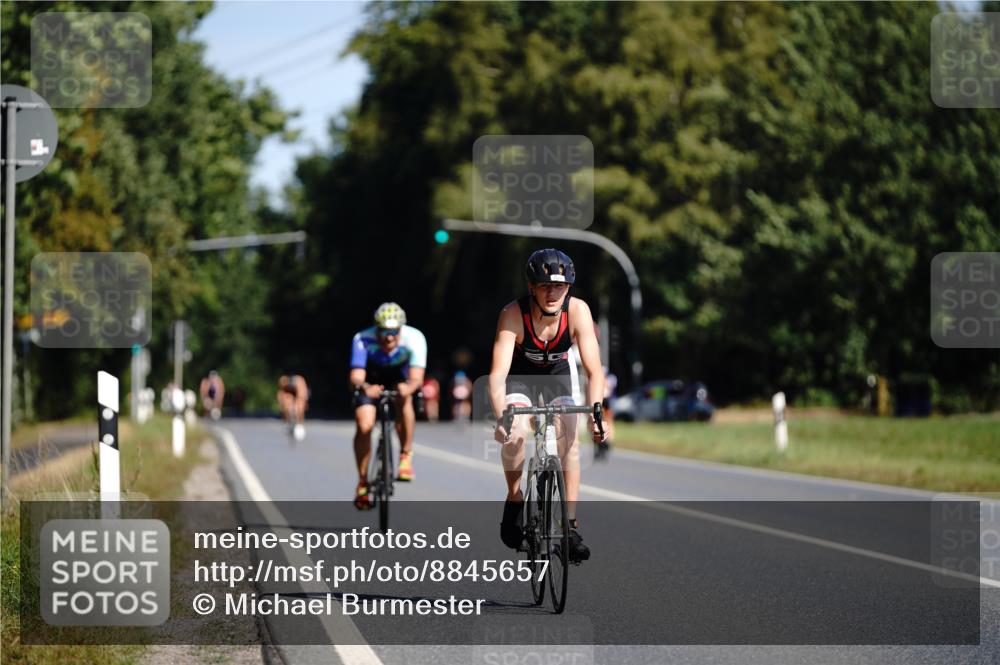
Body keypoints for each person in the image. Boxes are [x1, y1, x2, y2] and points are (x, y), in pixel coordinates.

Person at [488, 249, 607, 563]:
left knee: (570, 441)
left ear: (568, 287)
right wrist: (502, 416)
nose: (552, 293)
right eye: (544, 286)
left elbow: (595, 371)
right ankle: (515, 496)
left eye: (559, 286)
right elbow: (498, 374)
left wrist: (597, 414)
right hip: (520, 378)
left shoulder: (578, 311)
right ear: (531, 287)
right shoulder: (513, 313)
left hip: (557, 378)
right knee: (515, 434)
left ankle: (569, 526)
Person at [349, 302, 427, 509]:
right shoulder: (362, 338)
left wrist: (408, 388)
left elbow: (417, 378)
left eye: (394, 331)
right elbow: (356, 376)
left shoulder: (415, 338)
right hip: (371, 380)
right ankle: (363, 482)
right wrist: (365, 387)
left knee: (405, 398)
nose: (389, 337)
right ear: (376, 328)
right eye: (384, 331)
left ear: (401, 328)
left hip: (400, 377)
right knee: (364, 425)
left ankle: (405, 456)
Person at [277, 374, 309, 440]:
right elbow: (281, 395)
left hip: (299, 393)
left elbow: (302, 395)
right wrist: (283, 406)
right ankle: (288, 422)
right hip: (289, 395)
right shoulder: (283, 385)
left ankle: (300, 424)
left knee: (299, 407)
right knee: (286, 405)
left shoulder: (299, 381)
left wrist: (302, 405)